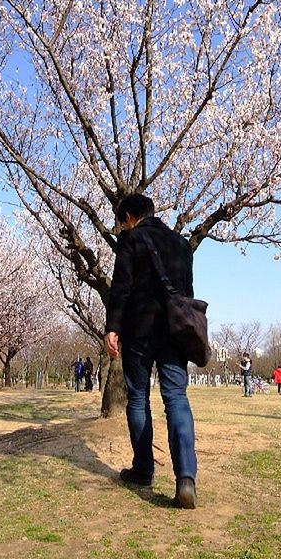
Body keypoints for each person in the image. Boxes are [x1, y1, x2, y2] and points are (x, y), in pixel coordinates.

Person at [104, 194, 198, 509]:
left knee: (139, 400)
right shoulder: (182, 244)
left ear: (130, 216)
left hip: (139, 330)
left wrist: (113, 327)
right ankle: (186, 478)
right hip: (174, 330)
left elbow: (121, 287)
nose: (122, 226)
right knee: (176, 399)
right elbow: (187, 290)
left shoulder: (130, 239)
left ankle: (143, 469)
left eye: (122, 220)